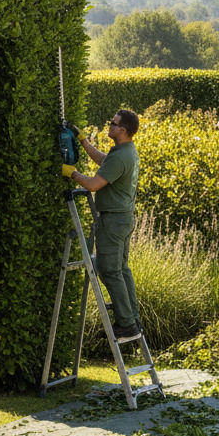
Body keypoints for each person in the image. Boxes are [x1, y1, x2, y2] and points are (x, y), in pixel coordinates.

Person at [63, 110, 142, 340]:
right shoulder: (126, 152)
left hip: (113, 221)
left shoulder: (120, 156)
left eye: (113, 123)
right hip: (124, 218)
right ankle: (133, 319)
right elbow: (104, 162)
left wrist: (72, 173)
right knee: (122, 270)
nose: (110, 125)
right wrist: (84, 141)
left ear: (123, 130)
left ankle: (126, 324)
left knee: (109, 270)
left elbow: (95, 184)